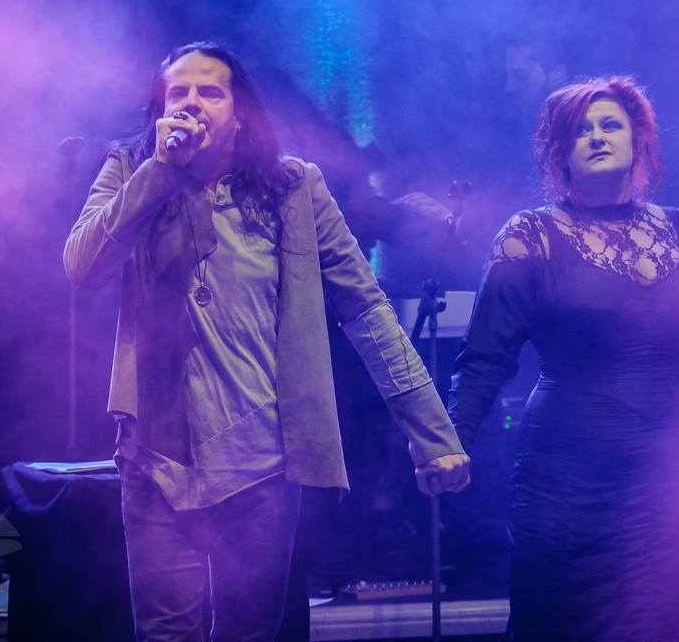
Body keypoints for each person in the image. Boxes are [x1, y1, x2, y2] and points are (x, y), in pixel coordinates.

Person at [63, 41, 470, 642]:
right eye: (178, 93)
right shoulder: (130, 169)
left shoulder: (292, 188)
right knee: (165, 636)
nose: (191, 103)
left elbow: (366, 309)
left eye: (210, 91)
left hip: (261, 464)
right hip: (156, 459)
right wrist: (159, 172)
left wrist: (431, 432)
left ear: (241, 113)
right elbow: (83, 268)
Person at [447, 75, 679, 641]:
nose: (597, 137)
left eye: (610, 125)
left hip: (668, 479)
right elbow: (484, 356)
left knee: (666, 624)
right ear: (560, 154)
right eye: (581, 130)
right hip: (567, 484)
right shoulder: (532, 235)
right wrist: (449, 441)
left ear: (637, 139)